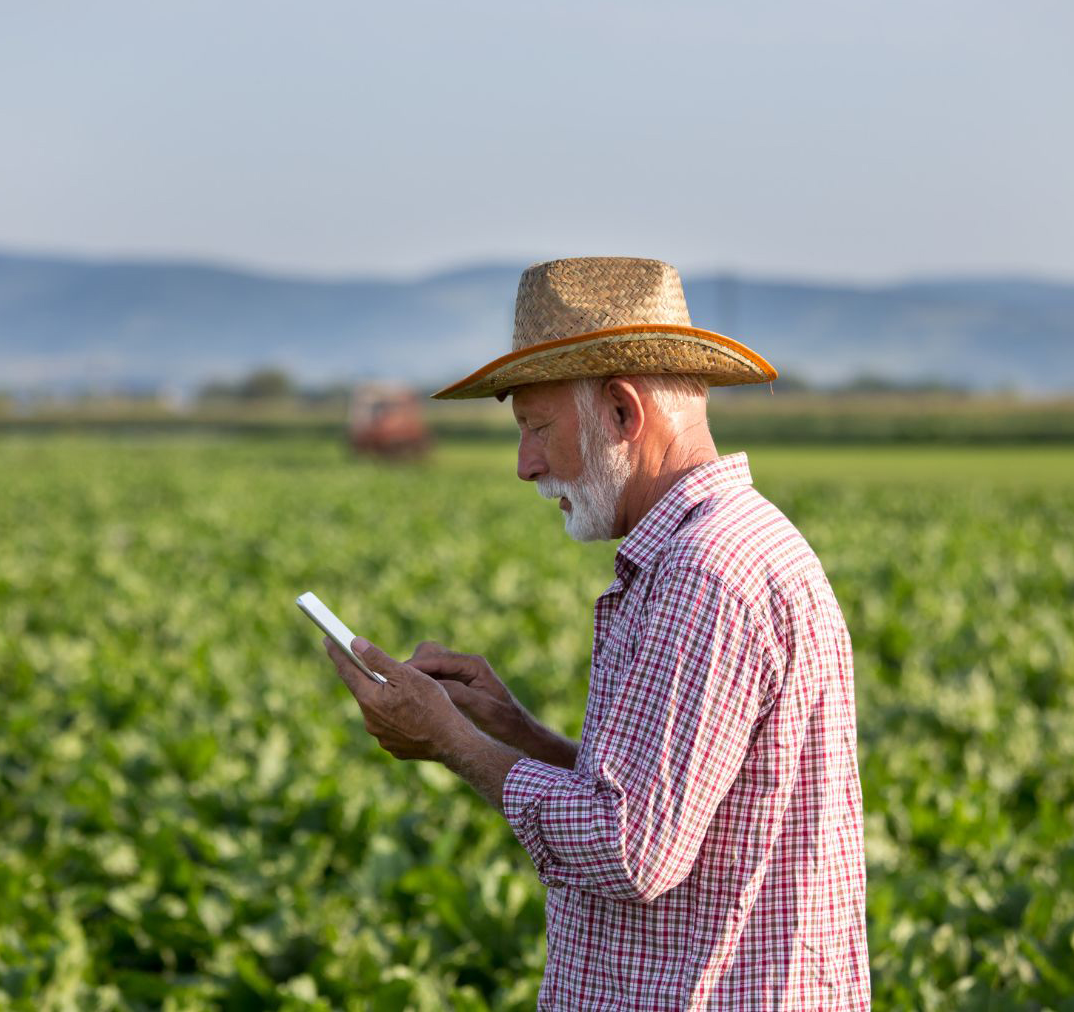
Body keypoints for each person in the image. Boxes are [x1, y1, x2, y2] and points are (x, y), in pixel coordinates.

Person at [324, 257, 869, 1010]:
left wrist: (452, 742)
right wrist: (511, 728)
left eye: (536, 428)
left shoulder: (702, 574)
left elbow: (630, 849)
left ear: (621, 412)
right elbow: (669, 802)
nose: (525, 465)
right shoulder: (723, 545)